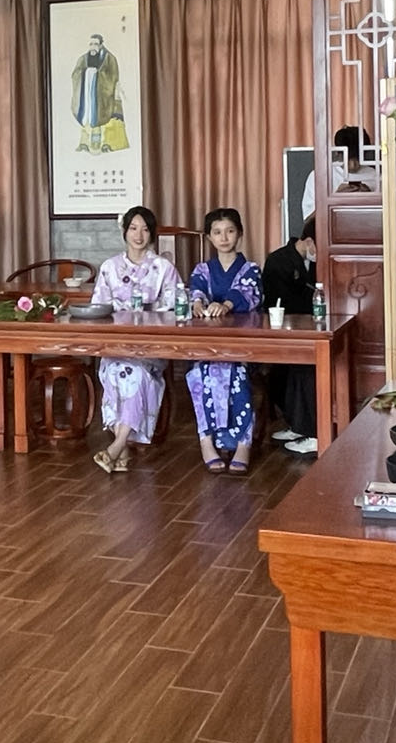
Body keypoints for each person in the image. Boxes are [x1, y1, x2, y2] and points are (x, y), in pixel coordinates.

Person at [90, 206, 179, 474]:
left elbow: (176, 306)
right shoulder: (110, 267)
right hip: (116, 346)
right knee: (116, 372)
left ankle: (116, 447)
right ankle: (122, 449)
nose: (138, 235)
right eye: (133, 228)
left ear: (152, 233)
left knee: (137, 374)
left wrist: (146, 313)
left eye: (145, 229)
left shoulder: (163, 267)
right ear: (125, 231)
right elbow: (99, 306)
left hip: (151, 347)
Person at [186, 207, 263, 475]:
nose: (224, 237)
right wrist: (197, 303)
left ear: (239, 234)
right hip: (207, 345)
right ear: (209, 237)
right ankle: (206, 442)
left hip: (242, 345)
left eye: (230, 231)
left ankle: (243, 444)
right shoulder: (203, 269)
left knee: (237, 374)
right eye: (217, 232)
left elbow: (248, 294)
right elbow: (196, 288)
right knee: (201, 374)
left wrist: (227, 304)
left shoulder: (251, 269)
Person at [262, 216, 319, 456]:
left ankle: (310, 429)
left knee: (305, 368)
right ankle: (299, 426)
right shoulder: (278, 261)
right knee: (283, 373)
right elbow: (278, 302)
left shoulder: (320, 262)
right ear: (309, 242)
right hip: (284, 329)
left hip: (314, 330)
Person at [299, 126, 374, 222]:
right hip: (332, 230)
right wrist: (335, 199)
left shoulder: (375, 176)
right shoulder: (320, 177)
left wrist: (370, 198)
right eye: (348, 158)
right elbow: (308, 222)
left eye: (357, 158)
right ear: (338, 154)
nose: (353, 164)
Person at [71, 33, 123, 154]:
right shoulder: (83, 58)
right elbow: (75, 74)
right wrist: (86, 74)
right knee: (86, 117)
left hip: (102, 98)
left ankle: (102, 144)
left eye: (95, 44)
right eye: (91, 44)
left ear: (101, 45)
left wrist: (98, 76)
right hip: (86, 96)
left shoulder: (109, 58)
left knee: (101, 121)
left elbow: (113, 77)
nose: (92, 46)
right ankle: (84, 143)